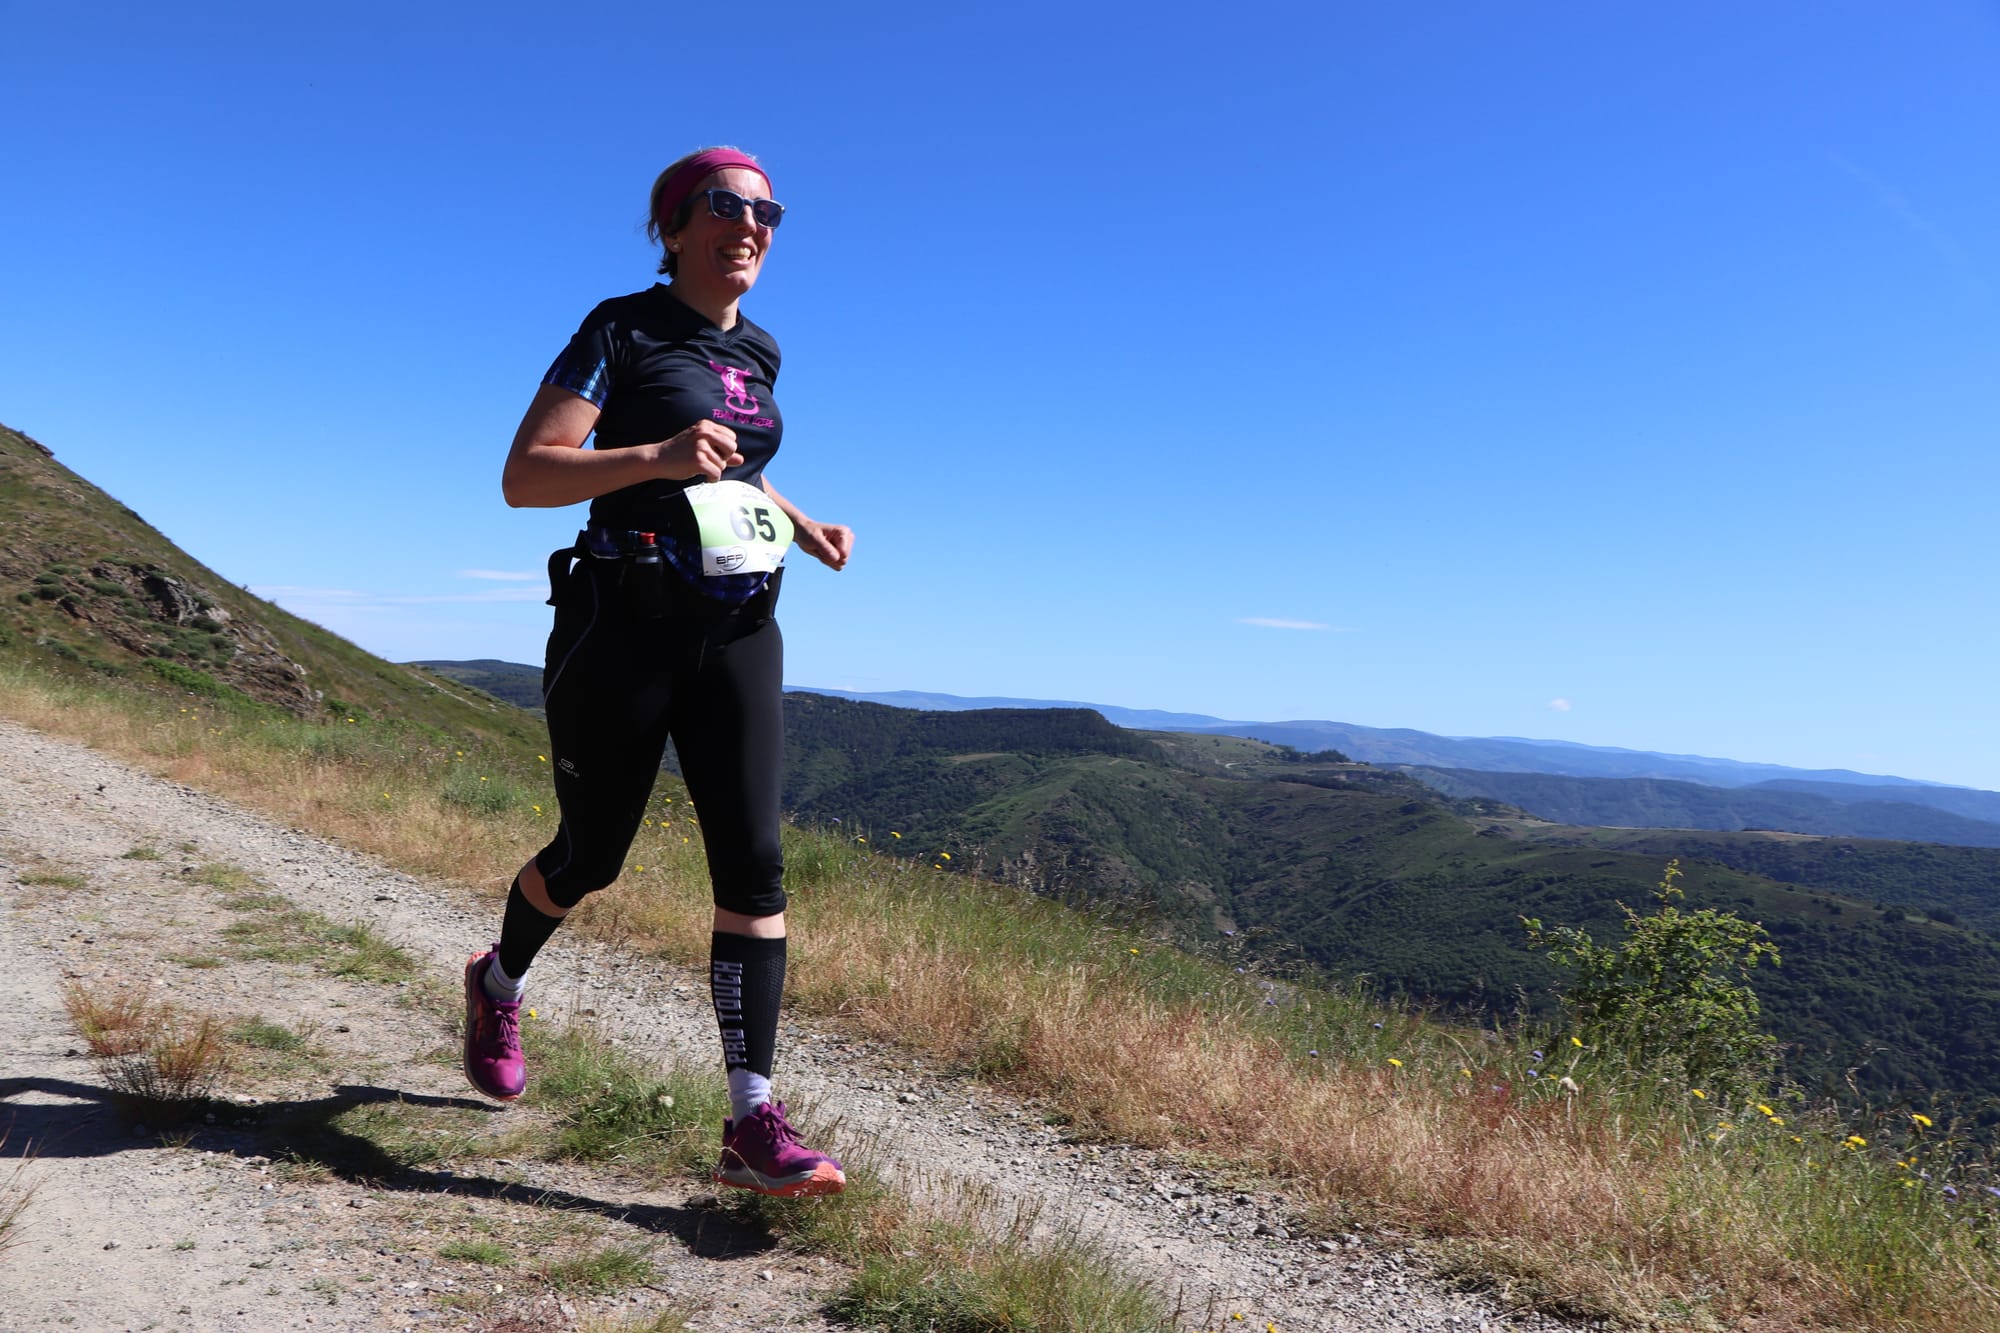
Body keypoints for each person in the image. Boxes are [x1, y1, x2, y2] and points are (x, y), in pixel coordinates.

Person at [462, 146, 853, 1199]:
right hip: (621, 622)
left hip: (738, 625)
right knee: (590, 856)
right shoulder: (619, 330)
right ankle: (498, 979)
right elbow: (526, 475)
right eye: (725, 205)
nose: (751, 224)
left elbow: (738, 468)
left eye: (768, 211)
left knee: (755, 867)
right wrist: (655, 457)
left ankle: (751, 1120)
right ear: (673, 227)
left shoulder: (761, 349)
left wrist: (797, 520)